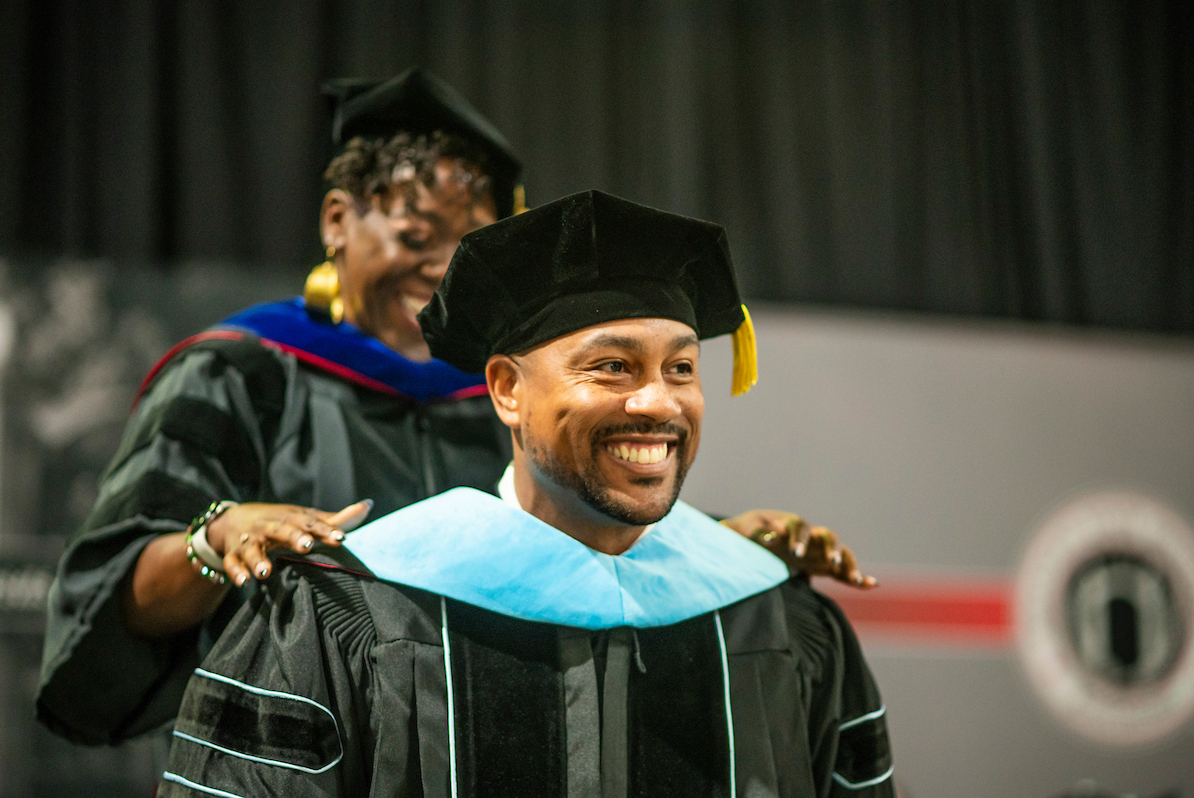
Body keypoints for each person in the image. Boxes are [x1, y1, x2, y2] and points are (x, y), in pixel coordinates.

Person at [36, 69, 871, 748]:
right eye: (415, 233)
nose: (441, 268)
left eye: (468, 245)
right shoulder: (241, 375)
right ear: (338, 221)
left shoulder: (503, 398)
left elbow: (559, 540)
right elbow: (111, 607)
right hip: (287, 745)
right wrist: (217, 539)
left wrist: (712, 550)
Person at [161, 190, 894, 797]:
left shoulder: (784, 620)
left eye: (679, 369)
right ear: (507, 390)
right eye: (612, 366)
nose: (658, 403)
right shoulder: (348, 608)